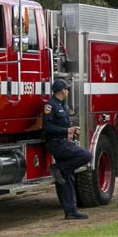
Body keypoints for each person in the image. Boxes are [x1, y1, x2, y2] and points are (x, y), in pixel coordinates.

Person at [43, 79, 92, 220]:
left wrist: (71, 132)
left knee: (68, 176)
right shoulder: (50, 106)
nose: (68, 91)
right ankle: (58, 167)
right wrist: (66, 130)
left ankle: (70, 211)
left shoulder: (62, 105)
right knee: (86, 156)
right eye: (67, 89)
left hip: (63, 141)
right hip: (56, 143)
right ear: (62, 90)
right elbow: (47, 127)